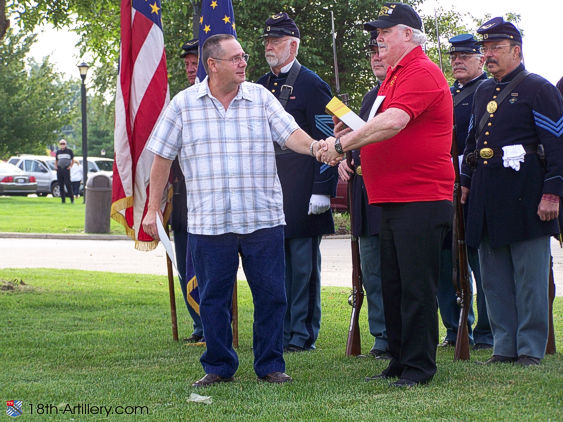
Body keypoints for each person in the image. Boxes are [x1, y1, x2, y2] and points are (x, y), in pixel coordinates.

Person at [142, 34, 324, 387]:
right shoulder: (183, 105)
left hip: (262, 219)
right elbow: (161, 158)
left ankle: (270, 365)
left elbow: (291, 135)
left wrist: (318, 147)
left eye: (244, 57)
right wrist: (153, 209)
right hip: (210, 223)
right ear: (213, 65)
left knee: (272, 296)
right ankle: (218, 366)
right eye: (236, 58)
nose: (244, 63)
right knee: (212, 300)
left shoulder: (260, 98)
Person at [319, 2, 454, 387]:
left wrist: (341, 145)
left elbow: (393, 122)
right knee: (393, 283)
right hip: (392, 197)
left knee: (415, 284)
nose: (377, 39)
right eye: (376, 34)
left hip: (421, 197)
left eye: (385, 32)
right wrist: (342, 139)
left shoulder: (422, 71)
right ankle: (399, 359)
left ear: (408, 35)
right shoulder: (394, 77)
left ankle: (419, 367)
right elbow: (375, 125)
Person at [460, 17, 563, 366]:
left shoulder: (539, 88)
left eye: (496, 49)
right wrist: (465, 182)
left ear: (516, 51)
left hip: (527, 195)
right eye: (485, 49)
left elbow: (557, 145)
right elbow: (473, 142)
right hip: (488, 196)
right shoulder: (483, 92)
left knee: (530, 279)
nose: (488, 55)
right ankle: (504, 346)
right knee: (494, 278)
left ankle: (530, 348)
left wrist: (553, 193)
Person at [256, 12, 337, 352]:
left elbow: (328, 137)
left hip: (304, 190)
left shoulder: (314, 84)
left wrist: (323, 189)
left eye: (275, 41)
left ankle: (301, 335)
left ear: (293, 44)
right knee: (276, 268)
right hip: (272, 190)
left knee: (303, 270)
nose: (268, 47)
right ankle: (282, 330)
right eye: (266, 41)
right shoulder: (260, 85)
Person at [436, 34, 492, 351]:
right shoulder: (447, 93)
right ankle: (455, 327)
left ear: (480, 60)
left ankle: (485, 331)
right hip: (445, 186)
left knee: (479, 262)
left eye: (465, 56)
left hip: (473, 184)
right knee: (447, 262)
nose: (457, 61)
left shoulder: (486, 91)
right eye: (454, 57)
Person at [337, 32, 389, 359]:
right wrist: (345, 159)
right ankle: (381, 337)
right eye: (372, 52)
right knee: (371, 272)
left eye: (382, 50)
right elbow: (361, 143)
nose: (375, 57)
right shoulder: (370, 98)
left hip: (395, 196)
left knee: (400, 272)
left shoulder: (401, 93)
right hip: (367, 197)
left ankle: (402, 336)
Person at [171, 38, 204, 344]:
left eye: (196, 63)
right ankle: (198, 324)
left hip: (206, 200)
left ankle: (212, 323)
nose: (191, 69)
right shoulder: (180, 102)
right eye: (188, 65)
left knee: (208, 265)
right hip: (182, 201)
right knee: (185, 264)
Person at [55, 139, 74, 204]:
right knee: (61, 185)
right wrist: (56, 167)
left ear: (66, 144)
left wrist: (70, 166)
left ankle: (72, 199)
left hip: (66, 169)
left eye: (63, 143)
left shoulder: (69, 151)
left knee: (68, 184)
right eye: (61, 144)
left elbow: (73, 160)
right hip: (59, 169)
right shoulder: (58, 152)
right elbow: (56, 160)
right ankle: (63, 200)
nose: (62, 145)